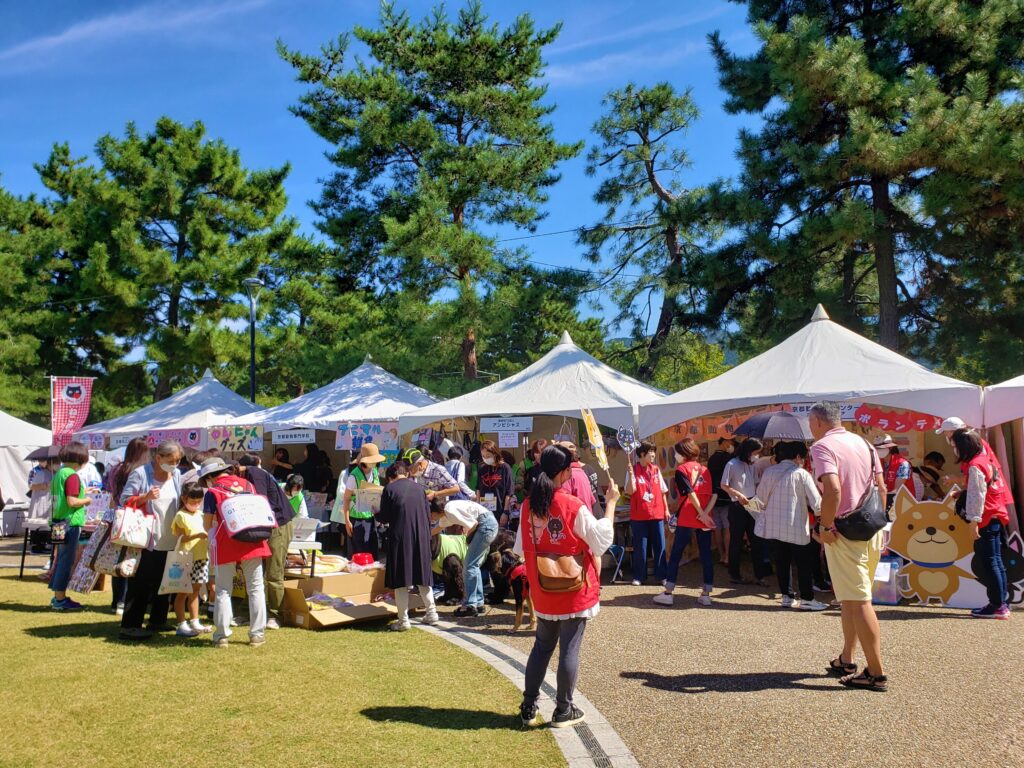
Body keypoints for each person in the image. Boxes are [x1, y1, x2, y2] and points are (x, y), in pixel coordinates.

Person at [516, 445, 619, 729]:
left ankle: (528, 706)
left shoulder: (528, 504)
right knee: (569, 649)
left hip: (542, 587)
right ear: (564, 473)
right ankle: (563, 709)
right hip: (573, 588)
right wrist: (610, 504)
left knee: (541, 648)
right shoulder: (573, 505)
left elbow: (519, 548)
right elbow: (600, 542)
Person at [808, 401, 888, 691]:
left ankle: (876, 673)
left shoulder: (821, 447)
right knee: (851, 599)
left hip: (844, 532)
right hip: (872, 527)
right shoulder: (864, 443)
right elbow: (881, 487)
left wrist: (825, 526)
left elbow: (833, 489)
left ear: (817, 421)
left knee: (860, 600)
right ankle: (847, 658)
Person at [199, 457, 271, 648]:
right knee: (256, 588)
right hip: (254, 540)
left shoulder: (212, 492)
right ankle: (257, 634)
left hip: (226, 542)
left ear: (209, 477)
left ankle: (222, 636)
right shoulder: (247, 484)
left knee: (223, 589)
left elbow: (207, 524)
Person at [119, 440, 184, 641]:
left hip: (171, 536)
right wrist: (145, 497)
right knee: (141, 582)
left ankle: (158, 620)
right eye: (171, 460)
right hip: (146, 537)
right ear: (158, 458)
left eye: (178, 460)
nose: (175, 464)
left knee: (165, 581)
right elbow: (124, 500)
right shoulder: (141, 473)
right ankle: (131, 625)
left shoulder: (177, 475)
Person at [752, 441, 828, 611]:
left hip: (773, 525)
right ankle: (807, 598)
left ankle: (787, 596)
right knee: (803, 563)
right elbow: (817, 504)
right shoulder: (802, 474)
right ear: (798, 457)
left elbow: (760, 499)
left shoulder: (769, 472)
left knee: (782, 561)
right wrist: (823, 520)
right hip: (796, 526)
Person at [951, 429, 1012, 619]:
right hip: (995, 515)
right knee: (996, 561)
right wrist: (963, 494)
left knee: (989, 562)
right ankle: (1001, 602)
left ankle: (997, 605)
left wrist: (973, 521)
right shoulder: (986, 461)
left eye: (955, 446)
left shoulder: (975, 465)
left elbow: (978, 496)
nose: (954, 449)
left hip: (986, 517)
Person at [375, 460, 439, 631]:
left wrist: (376, 513)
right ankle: (432, 613)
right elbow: (427, 515)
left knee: (400, 580)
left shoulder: (390, 489)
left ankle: (403, 621)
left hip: (400, 538)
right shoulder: (420, 489)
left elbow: (385, 517)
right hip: (422, 537)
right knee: (423, 576)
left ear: (391, 477)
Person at [654, 438, 715, 607]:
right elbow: (713, 494)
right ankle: (706, 593)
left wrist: (700, 513)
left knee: (676, 553)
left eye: (677, 452)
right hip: (705, 517)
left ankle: (668, 592)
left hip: (688, 515)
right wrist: (705, 514)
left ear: (683, 453)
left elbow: (689, 493)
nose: (675, 455)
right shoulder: (705, 469)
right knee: (706, 555)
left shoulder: (681, 469)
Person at [238, 453, 295, 631]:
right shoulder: (249, 476)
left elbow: (259, 501)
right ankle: (252, 613)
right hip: (261, 525)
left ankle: (275, 614)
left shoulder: (255, 473)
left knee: (273, 572)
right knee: (254, 571)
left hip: (278, 524)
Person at [429, 496, 499, 617]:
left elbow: (473, 524)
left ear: (436, 512)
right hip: (488, 522)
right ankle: (478, 602)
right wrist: (422, 536)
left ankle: (470, 605)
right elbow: (438, 529)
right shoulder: (445, 514)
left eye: (430, 514)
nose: (430, 517)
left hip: (485, 525)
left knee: (469, 565)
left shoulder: (450, 510)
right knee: (474, 565)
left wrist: (467, 539)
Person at [107, 437, 151, 614]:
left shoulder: (116, 469)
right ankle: (124, 601)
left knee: (118, 559)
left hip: (118, 516)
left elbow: (113, 495)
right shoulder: (138, 472)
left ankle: (116, 600)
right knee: (132, 560)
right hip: (134, 517)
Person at [48, 442, 93, 611]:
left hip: (57, 522)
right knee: (66, 561)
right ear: (79, 459)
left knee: (60, 559)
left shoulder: (59, 473)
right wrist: (87, 499)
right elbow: (72, 501)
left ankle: (57, 596)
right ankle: (60, 599)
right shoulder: (72, 476)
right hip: (69, 523)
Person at [721, 438, 771, 587]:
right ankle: (734, 574)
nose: (756, 456)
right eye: (755, 452)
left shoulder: (751, 465)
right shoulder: (732, 464)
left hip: (753, 502)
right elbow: (724, 485)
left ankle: (759, 575)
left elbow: (755, 482)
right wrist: (738, 494)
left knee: (757, 539)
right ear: (748, 451)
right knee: (736, 540)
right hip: (737, 504)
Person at [625, 441, 669, 586]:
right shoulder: (633, 470)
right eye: (651, 452)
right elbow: (630, 491)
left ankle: (662, 575)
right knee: (641, 547)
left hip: (657, 513)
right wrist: (631, 476)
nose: (653, 455)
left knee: (660, 546)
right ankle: (639, 576)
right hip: (639, 515)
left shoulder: (655, 469)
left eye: (654, 451)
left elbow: (663, 491)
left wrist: (666, 510)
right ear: (642, 454)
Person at [170, 482, 211, 637]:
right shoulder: (181, 515)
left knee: (195, 591)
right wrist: (197, 536)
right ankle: (181, 623)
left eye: (199, 502)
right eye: (193, 502)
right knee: (182, 593)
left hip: (201, 557)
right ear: (184, 499)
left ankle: (195, 620)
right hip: (185, 558)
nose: (196, 505)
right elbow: (181, 537)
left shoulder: (201, 514)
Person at [342, 443, 388, 558]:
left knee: (371, 551)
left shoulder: (375, 472)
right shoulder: (354, 476)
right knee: (358, 553)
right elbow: (346, 498)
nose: (374, 463)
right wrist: (347, 521)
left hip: (370, 517)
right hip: (356, 520)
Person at [403, 448, 473, 501]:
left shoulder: (438, 470)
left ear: (420, 464)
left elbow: (456, 488)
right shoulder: (414, 473)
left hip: (436, 513)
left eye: (411, 469)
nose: (410, 472)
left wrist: (435, 494)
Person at [706, 437, 734, 567]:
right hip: (726, 496)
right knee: (727, 527)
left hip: (713, 496)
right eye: (729, 442)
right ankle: (728, 556)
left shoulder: (711, 458)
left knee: (717, 528)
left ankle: (721, 555)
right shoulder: (728, 458)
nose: (731, 444)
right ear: (723, 442)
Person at [477, 439, 515, 523]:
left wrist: (505, 512)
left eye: (488, 456)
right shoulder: (482, 468)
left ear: (495, 453)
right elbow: (478, 489)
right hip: (484, 510)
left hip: (500, 510)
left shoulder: (505, 468)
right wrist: (477, 508)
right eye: (483, 456)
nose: (485, 458)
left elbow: (509, 492)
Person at [874, 435, 919, 504]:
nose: (878, 450)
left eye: (881, 448)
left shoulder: (903, 464)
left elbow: (896, 490)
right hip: (886, 501)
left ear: (890, 448)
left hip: (904, 504)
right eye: (877, 448)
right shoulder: (878, 462)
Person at [27, 457, 55, 553]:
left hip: (48, 501)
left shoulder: (54, 474)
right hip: (40, 501)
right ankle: (37, 546)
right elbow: (32, 486)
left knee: (47, 524)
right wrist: (47, 485)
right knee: (38, 523)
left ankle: (44, 544)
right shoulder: (40, 473)